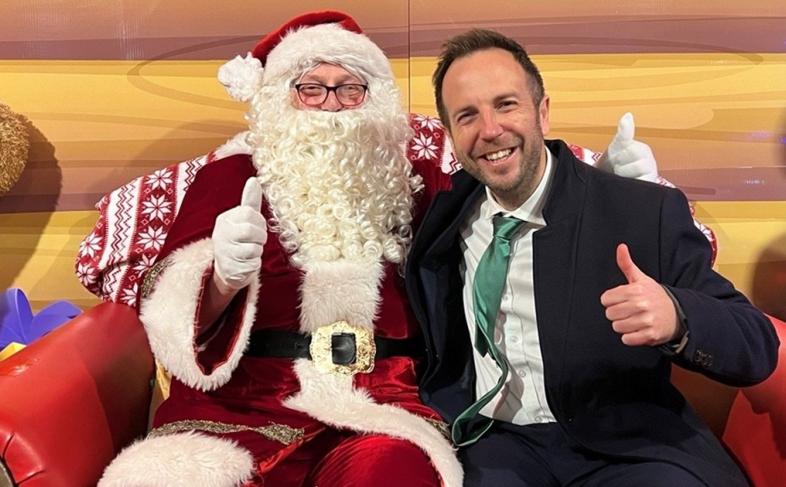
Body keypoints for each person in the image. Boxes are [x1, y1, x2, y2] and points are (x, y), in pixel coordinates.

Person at [92, 11, 683, 487]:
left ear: (374, 99)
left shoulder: (416, 177)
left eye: (350, 89)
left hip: (381, 400)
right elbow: (167, 312)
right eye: (311, 88)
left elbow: (513, 203)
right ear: (278, 97)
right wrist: (221, 276)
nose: (331, 105)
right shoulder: (231, 175)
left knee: (395, 473)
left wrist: (602, 193)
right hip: (243, 407)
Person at [404, 28, 780, 487]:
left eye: (506, 104)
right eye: (467, 115)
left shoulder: (638, 210)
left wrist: (678, 316)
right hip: (497, 444)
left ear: (542, 110)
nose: (489, 130)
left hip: (629, 448)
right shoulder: (442, 219)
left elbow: (757, 348)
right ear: (450, 134)